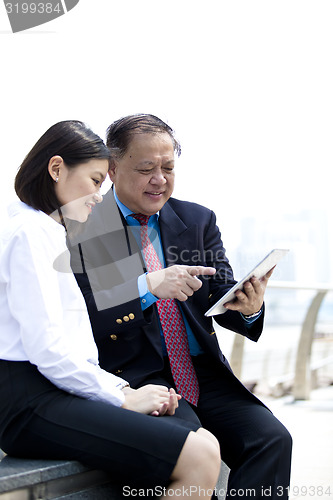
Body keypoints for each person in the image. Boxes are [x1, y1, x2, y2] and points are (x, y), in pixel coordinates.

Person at [70, 114, 293, 500]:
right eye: (146, 169)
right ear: (112, 168)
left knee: (272, 439)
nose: (160, 179)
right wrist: (148, 288)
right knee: (193, 444)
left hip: (203, 373)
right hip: (139, 377)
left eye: (169, 168)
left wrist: (249, 306)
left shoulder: (197, 219)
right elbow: (86, 311)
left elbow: (222, 293)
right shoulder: (87, 224)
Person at [0, 120, 222, 498]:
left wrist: (119, 389)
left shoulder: (46, 231)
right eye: (95, 180)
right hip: (30, 403)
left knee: (201, 442)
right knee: (199, 455)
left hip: (54, 391)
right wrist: (122, 396)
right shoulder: (28, 234)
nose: (100, 195)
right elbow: (47, 348)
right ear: (56, 169)